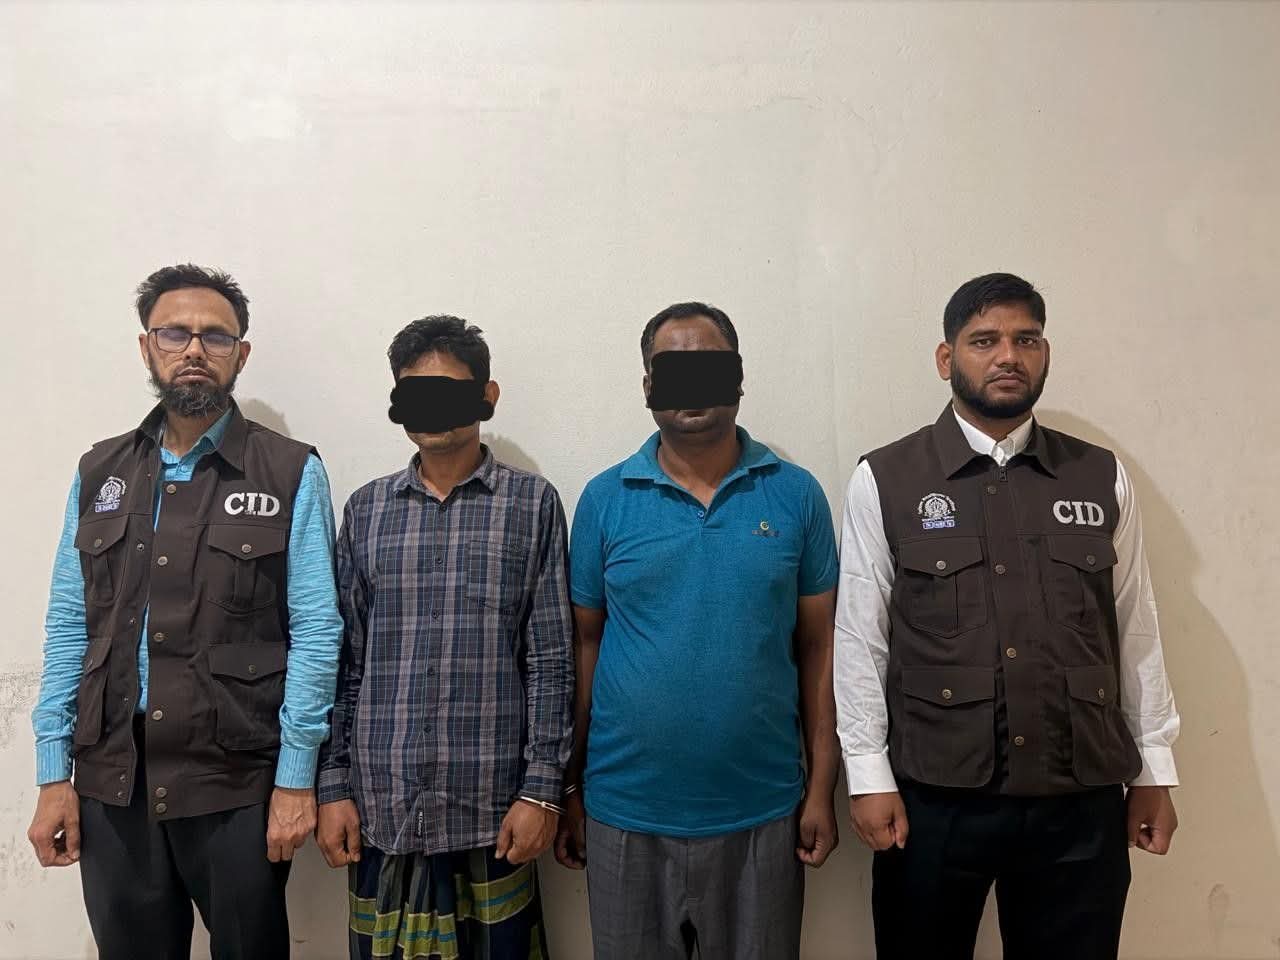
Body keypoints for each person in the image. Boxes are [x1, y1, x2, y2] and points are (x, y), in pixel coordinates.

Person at [835, 272, 1180, 960]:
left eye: (1027, 340)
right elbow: (860, 639)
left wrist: (1153, 770)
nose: (1008, 356)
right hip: (936, 797)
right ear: (947, 358)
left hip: (1078, 796)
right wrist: (868, 775)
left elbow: (1134, 626)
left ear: (1045, 354)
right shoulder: (888, 477)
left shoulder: (1100, 475)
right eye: (984, 340)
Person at [28, 263, 343, 960]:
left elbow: (318, 631)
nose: (194, 349)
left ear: (241, 354)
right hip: (112, 776)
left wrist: (296, 778)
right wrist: (54, 773)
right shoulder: (99, 472)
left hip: (233, 779)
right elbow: (70, 626)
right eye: (175, 333)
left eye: (215, 336)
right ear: (147, 347)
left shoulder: (289, 470)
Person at [558, 301, 840, 960]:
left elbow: (821, 646)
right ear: (648, 386)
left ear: (738, 378)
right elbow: (583, 645)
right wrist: (568, 789)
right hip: (624, 811)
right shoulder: (605, 499)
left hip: (763, 809)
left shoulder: (796, 495)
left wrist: (822, 788)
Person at [317, 315, 574, 960]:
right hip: (384, 809)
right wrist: (333, 786)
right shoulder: (365, 511)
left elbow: (549, 660)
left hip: (495, 810)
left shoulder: (533, 505)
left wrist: (542, 790)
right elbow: (345, 663)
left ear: (487, 396)